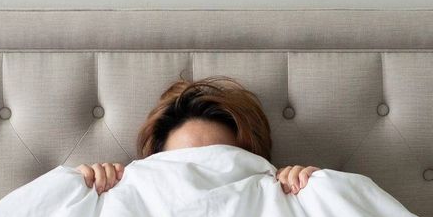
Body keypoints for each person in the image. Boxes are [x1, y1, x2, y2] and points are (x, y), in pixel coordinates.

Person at [75, 76, 319, 196]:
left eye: (218, 164)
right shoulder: (119, 201)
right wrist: (82, 188)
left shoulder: (279, 202)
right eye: (182, 165)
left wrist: (314, 190)